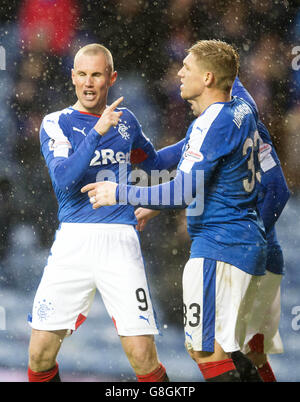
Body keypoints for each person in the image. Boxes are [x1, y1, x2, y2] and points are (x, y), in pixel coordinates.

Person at [81, 39, 268, 382]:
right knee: (233, 348)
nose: (179, 73)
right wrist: (133, 150)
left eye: (187, 67)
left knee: (204, 349)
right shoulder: (239, 110)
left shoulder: (212, 124)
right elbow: (172, 158)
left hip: (219, 247)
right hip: (245, 243)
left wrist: (118, 192)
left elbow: (183, 191)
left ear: (208, 77)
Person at [27, 43, 183, 383]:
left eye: (96, 74)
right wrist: (98, 132)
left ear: (110, 78)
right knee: (39, 355)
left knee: (143, 357)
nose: (88, 82)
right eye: (81, 74)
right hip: (73, 242)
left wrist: (195, 141)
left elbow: (153, 163)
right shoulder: (57, 123)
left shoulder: (125, 121)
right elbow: (65, 179)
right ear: (72, 77)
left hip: (120, 242)